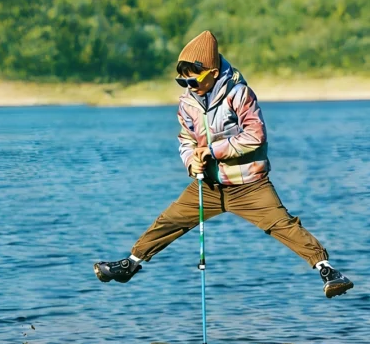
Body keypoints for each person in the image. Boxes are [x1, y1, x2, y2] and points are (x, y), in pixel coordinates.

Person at [93, 30, 353, 297]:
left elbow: (255, 135)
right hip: (209, 186)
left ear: (214, 73)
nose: (189, 86)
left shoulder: (239, 95)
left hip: (249, 185)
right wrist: (191, 161)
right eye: (183, 81)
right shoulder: (187, 103)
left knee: (282, 224)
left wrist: (213, 151)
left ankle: (328, 271)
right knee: (169, 220)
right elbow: (185, 139)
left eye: (194, 80)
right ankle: (131, 264)